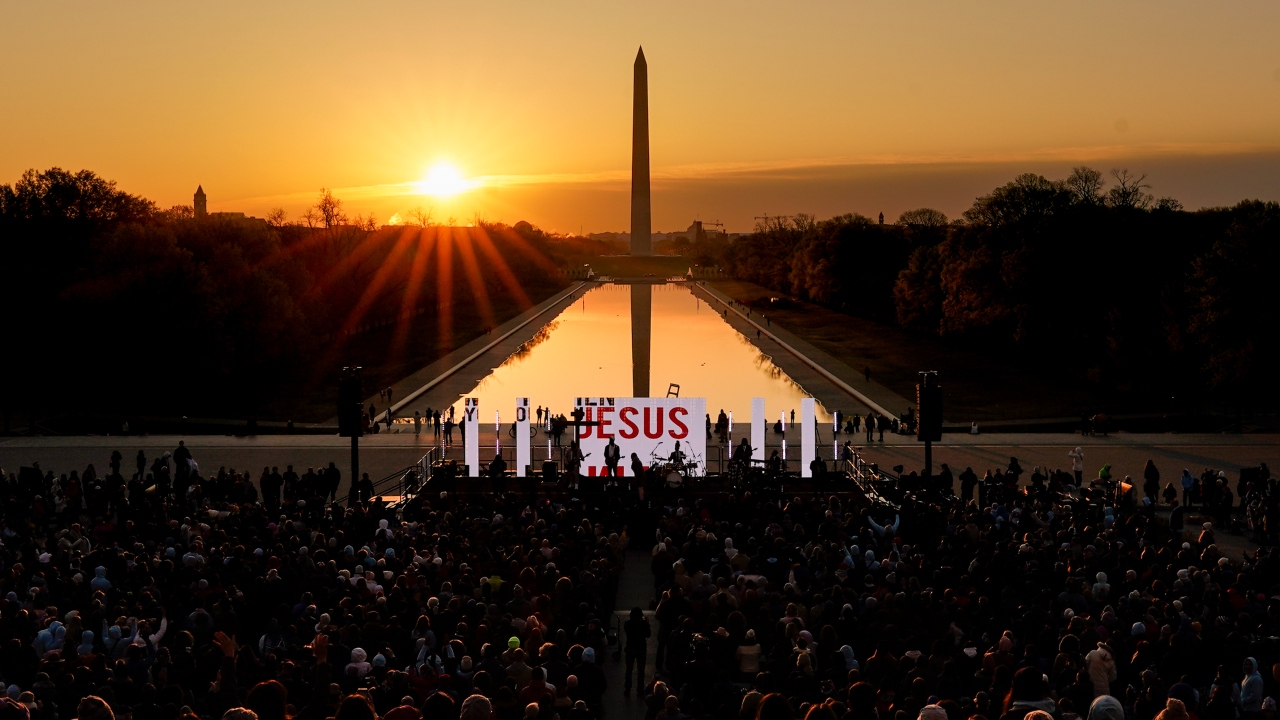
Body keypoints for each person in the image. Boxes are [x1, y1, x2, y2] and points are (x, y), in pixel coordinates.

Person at [623, 607, 650, 695]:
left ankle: (627, 688)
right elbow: (648, 635)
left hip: (630, 647)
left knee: (629, 669)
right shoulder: (644, 624)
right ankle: (640, 689)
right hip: (641, 648)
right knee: (641, 670)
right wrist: (647, 623)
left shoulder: (627, 624)